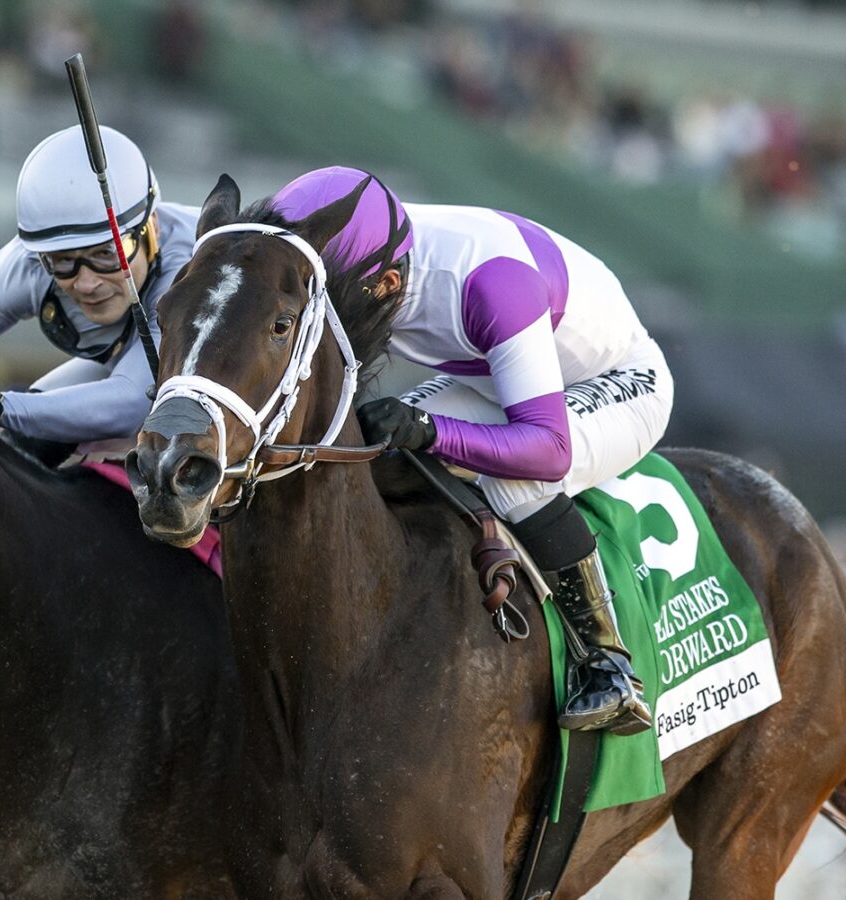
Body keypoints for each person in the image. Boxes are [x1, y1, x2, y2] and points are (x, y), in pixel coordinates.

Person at [272, 166, 674, 736]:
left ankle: (607, 663)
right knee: (379, 447)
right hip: (500, 372)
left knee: (513, 479)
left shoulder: (486, 284)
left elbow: (549, 449)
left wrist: (431, 430)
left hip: (617, 381)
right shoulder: (365, 249)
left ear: (386, 286)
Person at [0, 125, 199, 453]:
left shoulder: (189, 273)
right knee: (22, 447)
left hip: (219, 389)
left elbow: (131, 405)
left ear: (153, 228)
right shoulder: (30, 264)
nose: (86, 283)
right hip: (127, 366)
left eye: (106, 254)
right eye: (63, 261)